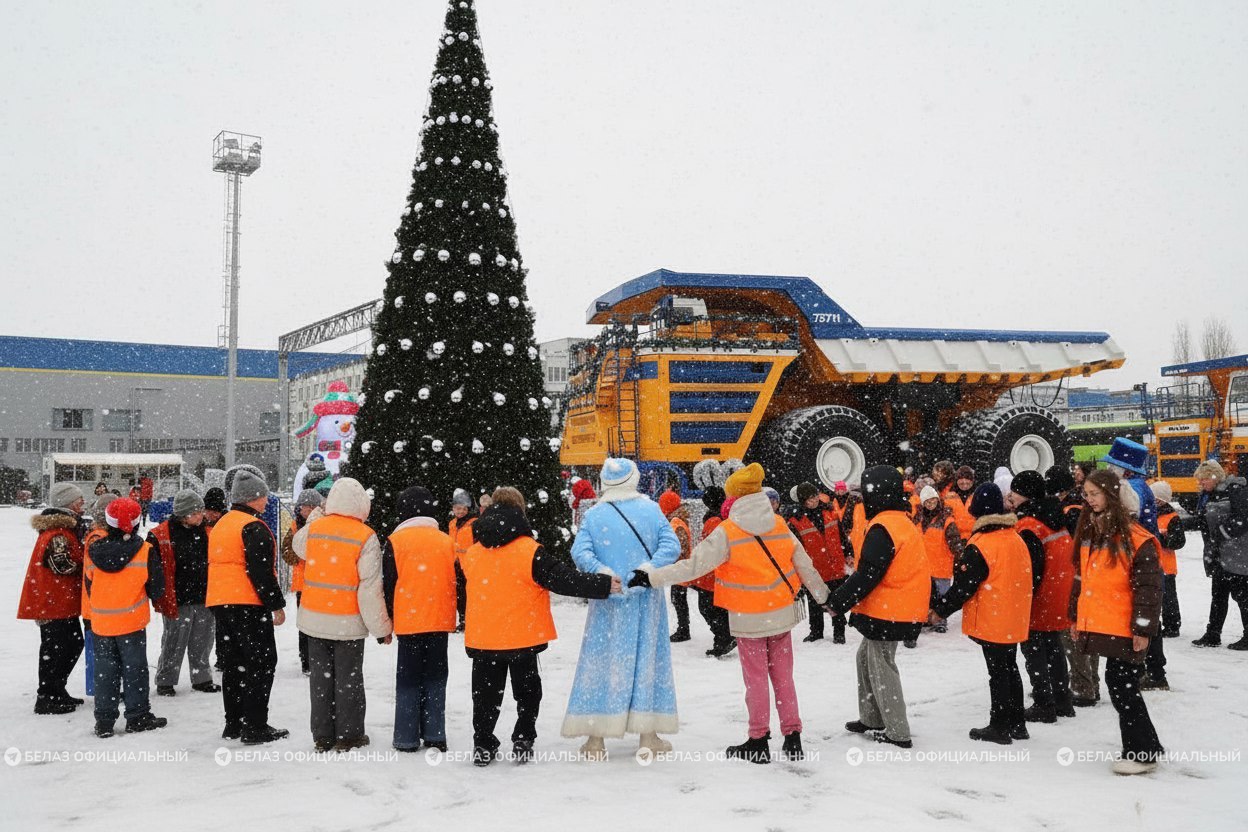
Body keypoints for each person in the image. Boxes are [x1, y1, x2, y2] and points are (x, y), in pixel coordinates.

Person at [630, 463, 828, 764]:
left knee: (756, 680)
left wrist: (652, 577)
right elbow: (805, 564)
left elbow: (693, 566)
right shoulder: (779, 524)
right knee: (784, 677)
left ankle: (758, 740)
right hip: (780, 613)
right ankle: (793, 737)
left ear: (734, 497)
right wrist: (826, 599)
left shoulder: (728, 531)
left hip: (748, 619)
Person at [462, 487, 618, 766]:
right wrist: (603, 584)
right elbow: (563, 579)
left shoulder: (472, 553)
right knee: (528, 692)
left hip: (484, 638)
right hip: (522, 637)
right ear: (520, 511)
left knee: (485, 696)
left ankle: (483, 743)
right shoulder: (530, 551)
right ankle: (523, 738)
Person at [562, 460, 681, 760]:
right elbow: (672, 547)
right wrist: (646, 569)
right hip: (646, 601)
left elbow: (580, 552)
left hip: (607, 602)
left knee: (600, 662)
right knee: (647, 662)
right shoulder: (651, 510)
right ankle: (648, 735)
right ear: (633, 479)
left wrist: (603, 574)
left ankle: (596, 739)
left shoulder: (595, 514)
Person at [824, 465, 930, 749]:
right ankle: (872, 717)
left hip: (891, 607)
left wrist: (838, 601)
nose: (863, 498)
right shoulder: (898, 521)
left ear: (877, 493)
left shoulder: (884, 527)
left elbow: (868, 573)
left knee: (881, 665)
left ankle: (898, 731)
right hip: (895, 604)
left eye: (866, 491)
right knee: (865, 658)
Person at [1068, 469, 1165, 775]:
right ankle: (1144, 747)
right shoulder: (1092, 531)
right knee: (1121, 685)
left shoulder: (1137, 538)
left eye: (1095, 493)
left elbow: (1149, 589)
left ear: (1111, 495)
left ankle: (1142, 752)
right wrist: (1076, 616)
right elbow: (1081, 579)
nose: (1089, 499)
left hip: (1124, 625)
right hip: (1106, 622)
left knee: (1123, 686)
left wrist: (1142, 629)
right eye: (1086, 494)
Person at [293, 478, 392, 752]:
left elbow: (298, 547)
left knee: (320, 679)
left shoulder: (315, 530)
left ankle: (323, 735)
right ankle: (349, 735)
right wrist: (382, 628)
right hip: (348, 622)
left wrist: (317, 516)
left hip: (313, 619)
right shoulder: (365, 536)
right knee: (349, 679)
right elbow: (369, 590)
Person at [933, 483, 1034, 744]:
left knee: (998, 673)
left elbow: (964, 587)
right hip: (1014, 615)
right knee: (1010, 668)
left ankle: (999, 726)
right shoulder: (1015, 537)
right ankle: (1017, 723)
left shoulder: (981, 544)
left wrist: (940, 610)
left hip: (993, 617)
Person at [206, 468, 289, 745]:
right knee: (262, 663)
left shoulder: (222, 525)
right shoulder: (253, 527)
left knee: (233, 665)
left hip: (221, 602)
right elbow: (260, 571)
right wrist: (276, 605)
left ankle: (234, 723)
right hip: (248, 603)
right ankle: (255, 725)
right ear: (253, 498)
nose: (266, 500)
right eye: (263, 496)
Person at [383, 485, 457, 753]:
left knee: (408, 678)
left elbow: (388, 585)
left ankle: (406, 736)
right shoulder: (446, 541)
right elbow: (458, 581)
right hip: (439, 619)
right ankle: (435, 733)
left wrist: (388, 619)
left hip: (409, 621)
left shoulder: (395, 541)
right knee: (436, 677)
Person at [85, 497, 167, 737]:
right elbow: (157, 589)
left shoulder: (93, 550)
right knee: (135, 670)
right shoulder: (145, 550)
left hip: (101, 622)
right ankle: (137, 716)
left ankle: (104, 721)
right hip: (131, 622)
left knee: (105, 672)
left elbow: (89, 585)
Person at [1009, 471, 1076, 722]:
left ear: (1025, 494)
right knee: (1054, 647)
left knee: (1034, 651)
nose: (1011, 496)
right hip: (1059, 592)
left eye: (1015, 492)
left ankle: (1043, 703)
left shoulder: (1029, 525)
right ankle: (1062, 699)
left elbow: (1031, 569)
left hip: (1039, 598)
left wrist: (1022, 598)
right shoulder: (1054, 515)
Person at [17, 482, 88, 715]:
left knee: (64, 646)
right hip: (54, 603)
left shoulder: (60, 530)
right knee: (60, 648)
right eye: (79, 500)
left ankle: (55, 690)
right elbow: (61, 565)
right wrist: (87, 567)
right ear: (68, 504)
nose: (83, 503)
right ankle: (48, 696)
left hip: (55, 602)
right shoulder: (59, 533)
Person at [150, 490, 219, 697]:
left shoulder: (208, 531)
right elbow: (152, 568)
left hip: (204, 596)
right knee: (173, 641)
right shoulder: (160, 534)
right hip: (176, 597)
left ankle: (202, 678)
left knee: (203, 640)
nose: (201, 516)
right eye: (195, 513)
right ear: (183, 514)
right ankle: (166, 681)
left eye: (201, 511)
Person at [1185, 461, 1248, 649]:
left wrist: (1220, 533)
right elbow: (1203, 521)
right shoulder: (1209, 495)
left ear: (1214, 476)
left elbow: (1242, 519)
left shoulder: (1234, 490)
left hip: (1238, 555)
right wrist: (1179, 523)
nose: (1200, 483)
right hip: (1219, 554)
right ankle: (1213, 634)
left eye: (1203, 479)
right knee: (1218, 595)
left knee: (1242, 597)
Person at [789, 481, 849, 643]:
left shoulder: (830, 512)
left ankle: (839, 632)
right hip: (814, 568)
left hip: (835, 564)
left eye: (815, 496)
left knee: (836, 600)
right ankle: (816, 632)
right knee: (814, 601)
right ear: (803, 501)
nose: (815, 500)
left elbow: (842, 535)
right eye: (810, 498)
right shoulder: (795, 521)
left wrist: (848, 553)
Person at [281, 489, 323, 675]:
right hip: (303, 584)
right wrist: (301, 554)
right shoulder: (294, 527)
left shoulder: (323, 525)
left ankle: (317, 659)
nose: (309, 510)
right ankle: (306, 661)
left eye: (312, 507)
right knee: (305, 625)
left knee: (319, 624)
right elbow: (286, 553)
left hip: (320, 582)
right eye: (306, 507)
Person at [913, 484, 964, 634]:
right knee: (925, 595)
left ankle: (940, 621)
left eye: (933, 500)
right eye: (927, 501)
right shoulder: (918, 519)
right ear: (923, 503)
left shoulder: (946, 520)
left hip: (941, 565)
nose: (931, 504)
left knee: (942, 595)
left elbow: (955, 541)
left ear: (938, 500)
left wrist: (961, 557)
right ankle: (927, 618)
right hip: (923, 566)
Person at [694, 486, 735, 657]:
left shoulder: (713, 521)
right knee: (718, 608)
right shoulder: (726, 517)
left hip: (710, 573)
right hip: (721, 573)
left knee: (708, 608)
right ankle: (725, 637)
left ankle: (723, 639)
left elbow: (709, 549)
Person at [659, 489, 697, 644]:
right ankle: (683, 629)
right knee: (678, 599)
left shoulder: (675, 522)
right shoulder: (678, 520)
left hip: (680, 569)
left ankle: (683, 630)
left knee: (678, 600)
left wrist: (671, 559)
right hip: (681, 568)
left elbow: (680, 546)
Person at [1100, 438, 1159, 535]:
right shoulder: (1138, 484)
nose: (1108, 469)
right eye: (1108, 465)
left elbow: (1132, 509)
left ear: (1127, 472)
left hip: (1138, 540)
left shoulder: (1132, 486)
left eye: (1112, 467)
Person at [1149, 481, 1185, 639]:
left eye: (1157, 499)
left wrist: (1160, 539)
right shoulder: (1149, 515)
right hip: (1150, 565)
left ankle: (1172, 626)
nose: (1154, 501)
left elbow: (1178, 542)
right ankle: (1154, 624)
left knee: (1168, 598)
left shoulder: (1172, 518)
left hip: (1166, 566)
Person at [448, 489, 477, 633]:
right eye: (457, 508)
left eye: (463, 508)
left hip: (471, 564)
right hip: (456, 563)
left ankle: (472, 620)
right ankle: (463, 620)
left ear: (468, 508)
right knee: (459, 594)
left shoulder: (474, 523)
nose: (460, 511)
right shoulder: (452, 523)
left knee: (470, 593)